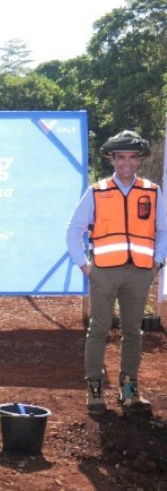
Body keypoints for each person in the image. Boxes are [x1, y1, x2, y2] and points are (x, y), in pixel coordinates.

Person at [66, 130, 165, 414]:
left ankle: (129, 390)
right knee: (98, 330)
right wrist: (86, 267)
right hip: (104, 274)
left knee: (133, 331)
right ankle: (95, 389)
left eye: (132, 157)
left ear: (139, 160)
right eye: (121, 157)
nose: (126, 163)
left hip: (140, 274)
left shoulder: (151, 191)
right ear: (112, 159)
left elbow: (163, 230)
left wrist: (156, 264)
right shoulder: (97, 191)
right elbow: (73, 231)